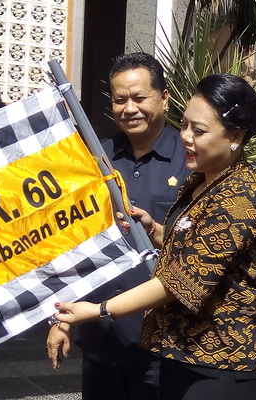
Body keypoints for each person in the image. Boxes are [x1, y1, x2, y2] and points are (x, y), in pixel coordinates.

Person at [52, 73, 256, 400]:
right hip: (186, 350)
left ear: (235, 135)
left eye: (199, 130)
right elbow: (192, 245)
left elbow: (180, 282)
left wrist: (99, 310)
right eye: (185, 124)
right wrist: (155, 230)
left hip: (227, 361)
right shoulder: (203, 179)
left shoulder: (238, 202)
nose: (185, 136)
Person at [47, 52, 189, 400]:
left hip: (164, 344)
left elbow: (203, 251)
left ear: (164, 98)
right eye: (119, 99)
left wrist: (156, 230)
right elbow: (73, 243)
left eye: (139, 97)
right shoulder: (95, 160)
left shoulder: (192, 161)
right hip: (101, 338)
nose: (129, 108)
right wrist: (60, 319)